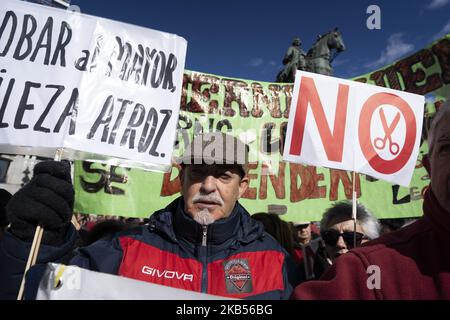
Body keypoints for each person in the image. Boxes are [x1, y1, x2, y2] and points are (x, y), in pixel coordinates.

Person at [0, 132, 296, 300]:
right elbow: (32, 292)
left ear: (241, 187)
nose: (208, 186)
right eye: (198, 173)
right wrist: (34, 241)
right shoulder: (122, 249)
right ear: (181, 180)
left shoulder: (275, 259)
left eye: (223, 176)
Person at [292, 102, 450, 299]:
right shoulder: (363, 271)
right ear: (429, 166)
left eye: (353, 238)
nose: (341, 244)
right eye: (448, 147)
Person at [311, 201, 380, 281]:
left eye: (351, 237)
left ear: (371, 242)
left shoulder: (384, 282)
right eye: (331, 236)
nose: (340, 244)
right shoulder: (312, 287)